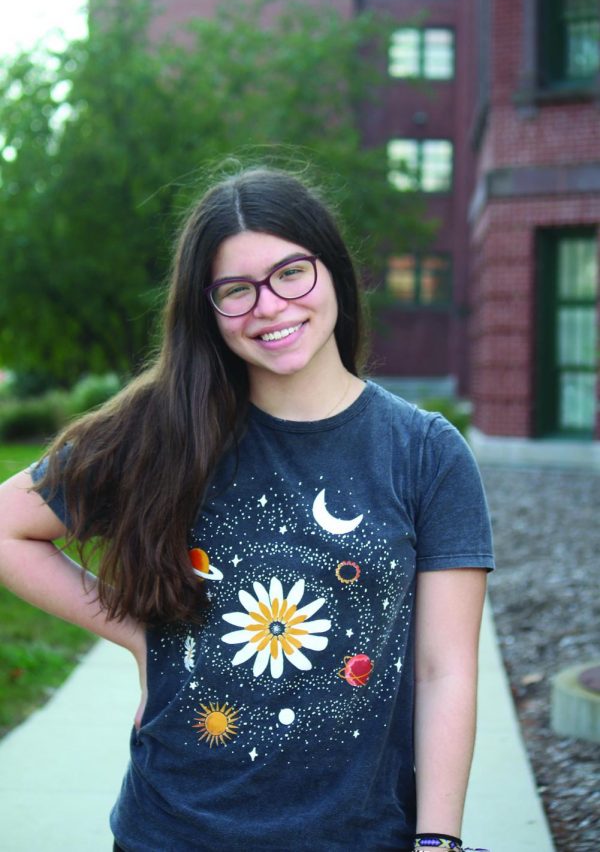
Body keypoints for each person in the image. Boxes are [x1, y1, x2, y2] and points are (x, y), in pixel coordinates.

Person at [0, 166, 493, 852]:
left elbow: (446, 671)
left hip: (358, 837)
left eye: (291, 272)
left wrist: (439, 840)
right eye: (236, 290)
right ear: (207, 308)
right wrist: (142, 635)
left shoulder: (426, 454)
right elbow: (8, 527)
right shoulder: (163, 429)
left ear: (333, 271)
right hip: (172, 831)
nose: (270, 305)